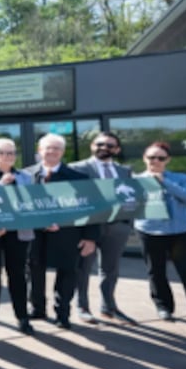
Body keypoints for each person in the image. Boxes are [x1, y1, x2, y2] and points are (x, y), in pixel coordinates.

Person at [23, 133, 99, 330]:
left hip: (68, 235)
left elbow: (92, 209)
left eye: (56, 148)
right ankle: (38, 308)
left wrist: (90, 238)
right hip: (35, 235)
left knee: (67, 273)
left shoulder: (79, 178)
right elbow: (20, 206)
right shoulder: (25, 176)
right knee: (34, 270)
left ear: (62, 152)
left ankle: (62, 313)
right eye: (47, 148)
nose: (51, 151)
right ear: (39, 151)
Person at [134, 141, 186, 328]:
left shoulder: (180, 178)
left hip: (179, 232)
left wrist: (163, 181)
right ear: (145, 158)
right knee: (156, 272)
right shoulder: (135, 180)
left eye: (160, 158)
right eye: (151, 157)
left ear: (168, 160)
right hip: (149, 231)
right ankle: (164, 306)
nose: (155, 161)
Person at [69, 130, 136, 324]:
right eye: (99, 144)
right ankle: (82, 306)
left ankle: (109, 307)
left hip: (118, 227)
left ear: (117, 149)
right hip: (89, 228)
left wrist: (128, 223)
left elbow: (132, 197)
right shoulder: (76, 168)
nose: (103, 148)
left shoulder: (125, 171)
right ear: (92, 146)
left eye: (109, 145)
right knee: (83, 268)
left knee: (111, 269)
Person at [0, 138, 35, 335]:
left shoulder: (26, 177)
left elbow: (29, 202)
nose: (9, 156)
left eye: (12, 153)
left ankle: (22, 316)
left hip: (17, 231)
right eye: (4, 152)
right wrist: (0, 183)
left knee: (17, 274)